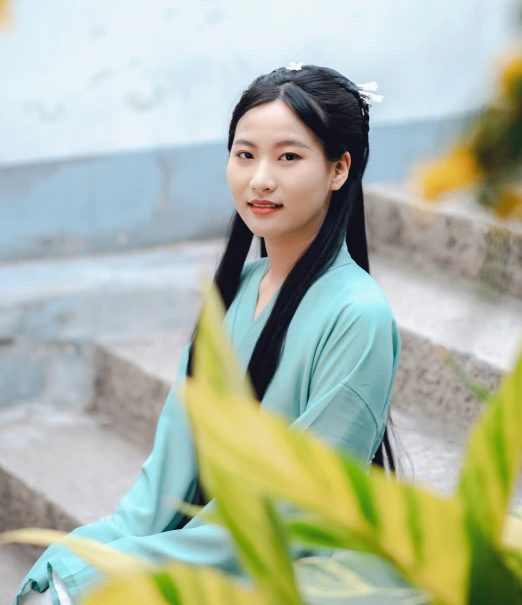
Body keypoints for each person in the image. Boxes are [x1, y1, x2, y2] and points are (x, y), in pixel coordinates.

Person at [14, 63, 401, 605]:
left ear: (339, 169)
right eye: (245, 154)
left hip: (297, 570)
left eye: (288, 157)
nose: (260, 178)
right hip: (212, 551)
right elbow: (163, 484)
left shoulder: (358, 315)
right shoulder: (236, 289)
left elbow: (290, 510)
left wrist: (106, 576)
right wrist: (84, 558)